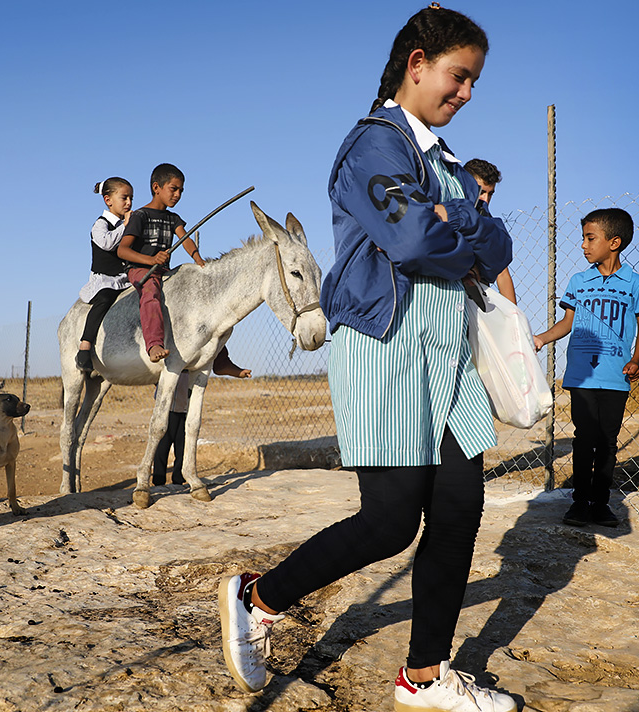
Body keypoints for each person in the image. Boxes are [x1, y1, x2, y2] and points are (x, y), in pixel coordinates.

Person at [218, 6, 517, 711]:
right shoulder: (372, 148)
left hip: (447, 353)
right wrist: (455, 223)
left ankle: (424, 676)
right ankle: (257, 599)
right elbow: (413, 241)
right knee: (389, 521)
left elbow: (500, 244)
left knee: (459, 506)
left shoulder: (442, 160)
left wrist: (462, 217)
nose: (467, 93)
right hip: (387, 347)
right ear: (418, 64)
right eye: (459, 75)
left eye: (473, 81)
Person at [533, 208, 639, 528]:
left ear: (613, 242)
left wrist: (636, 361)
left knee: (606, 440)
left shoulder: (635, 283)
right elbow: (567, 323)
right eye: (584, 238)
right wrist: (541, 339)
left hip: (616, 377)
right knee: (584, 437)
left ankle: (600, 503)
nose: (584, 245)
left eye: (591, 238)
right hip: (582, 375)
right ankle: (580, 503)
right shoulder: (579, 281)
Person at [117, 163, 205, 363]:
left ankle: (220, 359)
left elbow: (186, 239)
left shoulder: (173, 219)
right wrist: (151, 260)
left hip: (163, 270)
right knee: (150, 290)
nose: (177, 195)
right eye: (173, 189)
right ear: (156, 187)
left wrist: (198, 259)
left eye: (181, 191)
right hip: (141, 270)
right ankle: (154, 344)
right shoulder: (140, 216)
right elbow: (123, 250)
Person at [152, 347, 251, 486]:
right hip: (167, 410)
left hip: (187, 410)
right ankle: (158, 481)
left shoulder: (198, 360)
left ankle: (178, 480)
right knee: (162, 446)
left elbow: (218, 359)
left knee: (183, 447)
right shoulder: (171, 351)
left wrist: (237, 372)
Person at [76, 177, 134, 373]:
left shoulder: (128, 224)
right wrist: (125, 226)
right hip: (105, 280)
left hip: (125, 278)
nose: (129, 203)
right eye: (124, 198)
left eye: (131, 198)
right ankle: (85, 346)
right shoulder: (100, 225)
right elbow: (107, 243)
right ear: (108, 200)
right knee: (105, 298)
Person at [464, 158, 517, 303]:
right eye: (481, 192)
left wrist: (514, 317)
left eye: (490, 194)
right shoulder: (445, 213)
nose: (485, 200)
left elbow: (502, 273)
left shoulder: (489, 225)